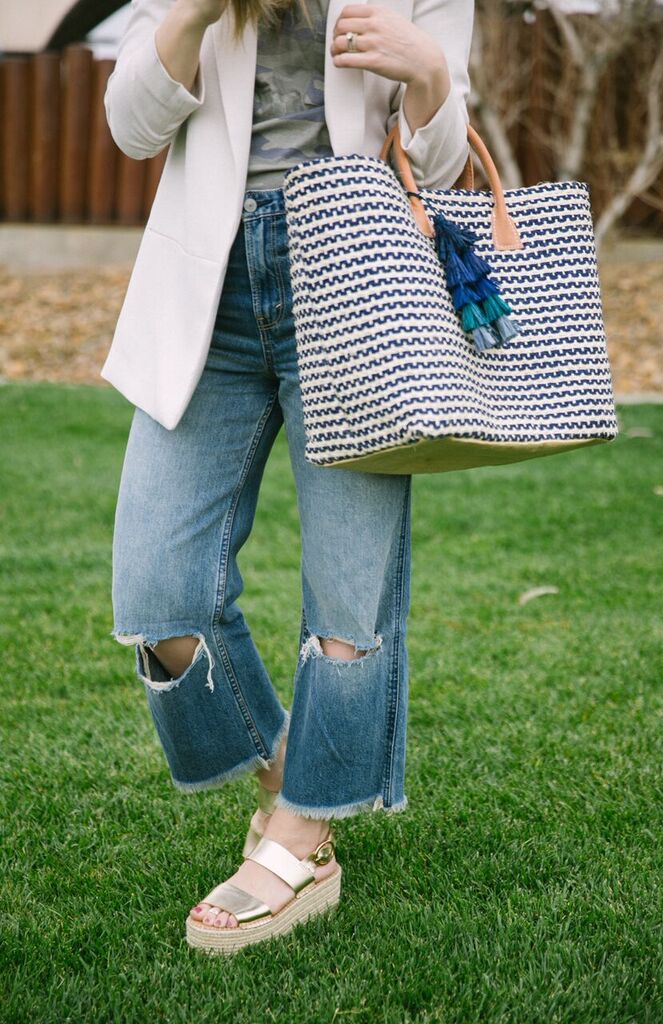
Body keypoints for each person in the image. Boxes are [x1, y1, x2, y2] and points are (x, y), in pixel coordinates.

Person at [103, 0, 474, 954]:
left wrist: (426, 71)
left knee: (349, 606)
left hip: (358, 280)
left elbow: (438, 170)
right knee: (157, 593)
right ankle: (286, 778)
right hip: (211, 288)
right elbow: (132, 125)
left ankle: (306, 839)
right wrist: (193, 11)